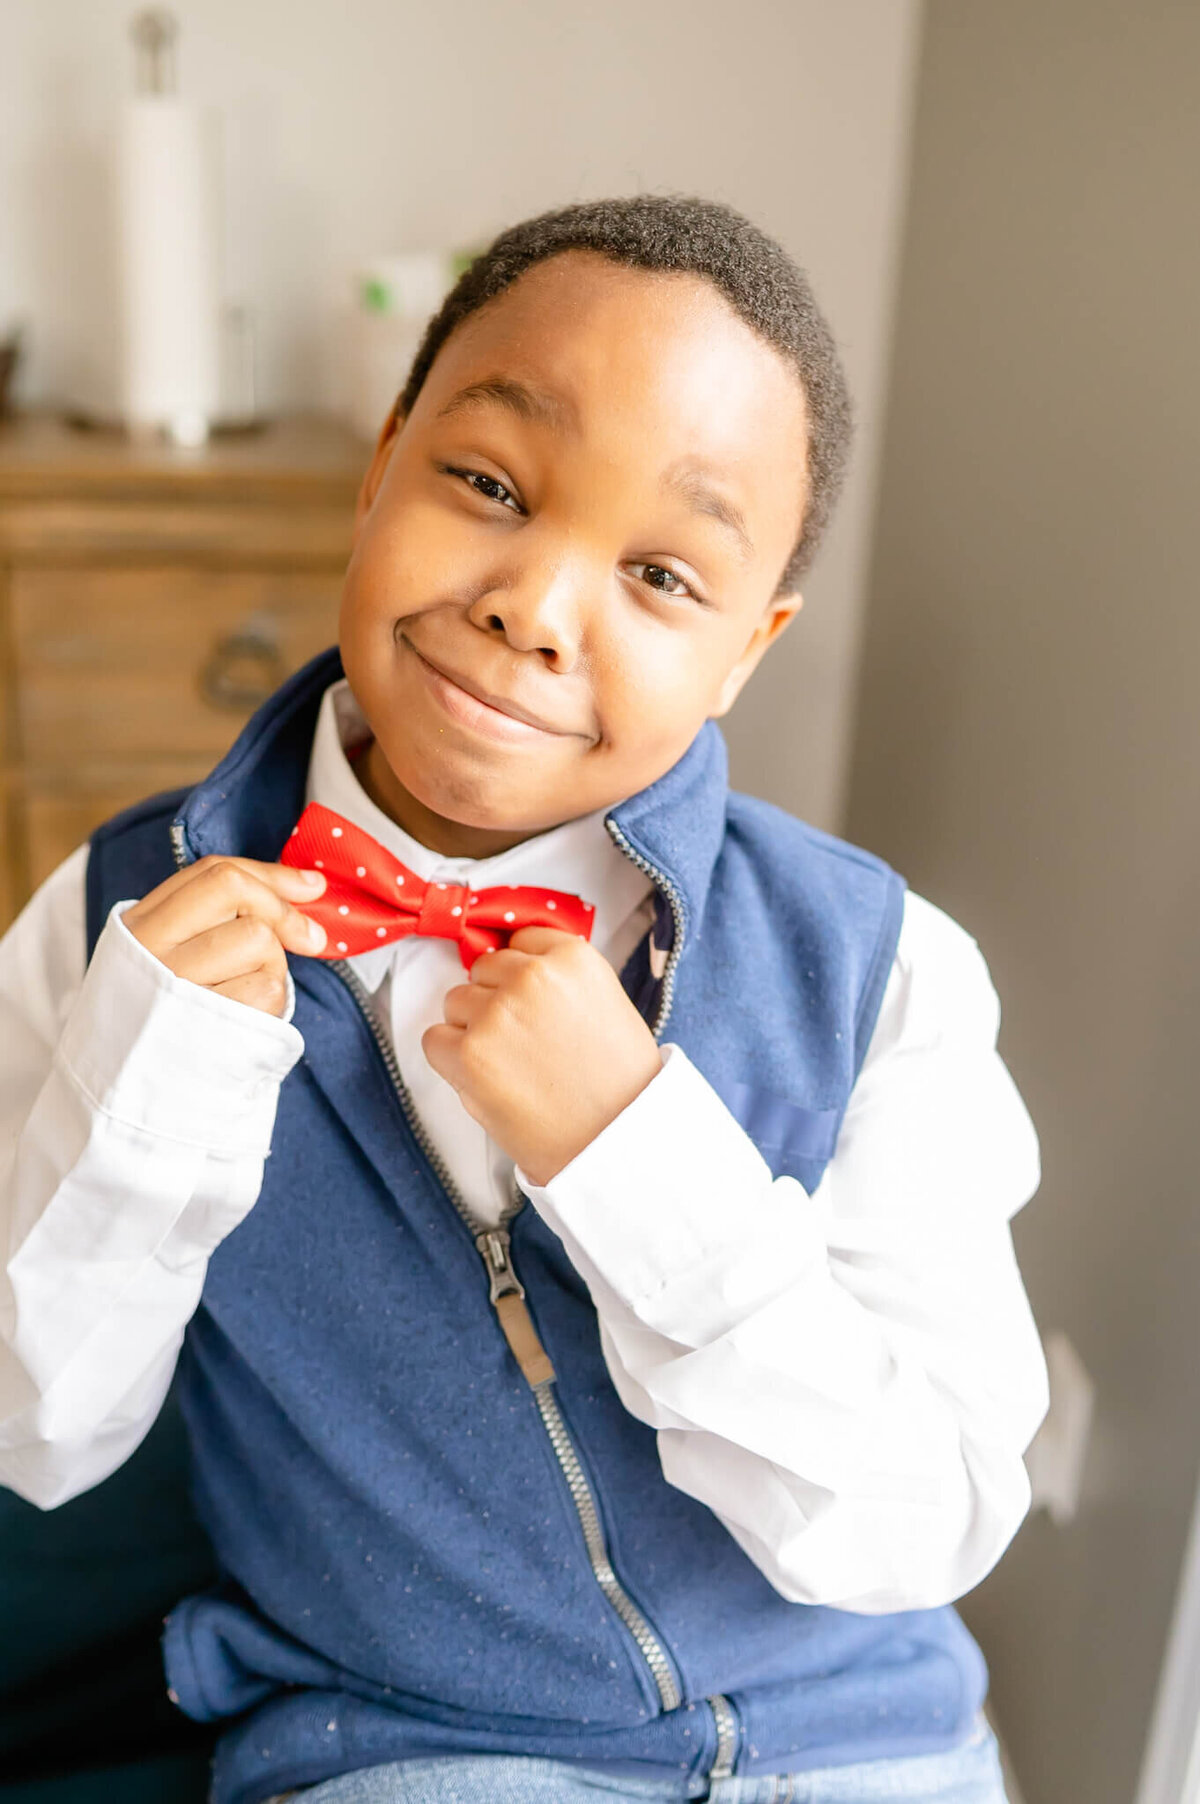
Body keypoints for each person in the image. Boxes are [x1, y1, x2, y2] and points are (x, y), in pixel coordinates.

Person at [0, 197, 1047, 1804]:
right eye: (488, 485)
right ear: (380, 467)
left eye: (662, 574)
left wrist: (635, 1157)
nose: (536, 609)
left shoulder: (885, 968)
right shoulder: (102, 919)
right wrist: (133, 1104)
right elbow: (38, 1432)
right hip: (410, 1749)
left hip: (866, 1734)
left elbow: (928, 1515)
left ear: (746, 651)